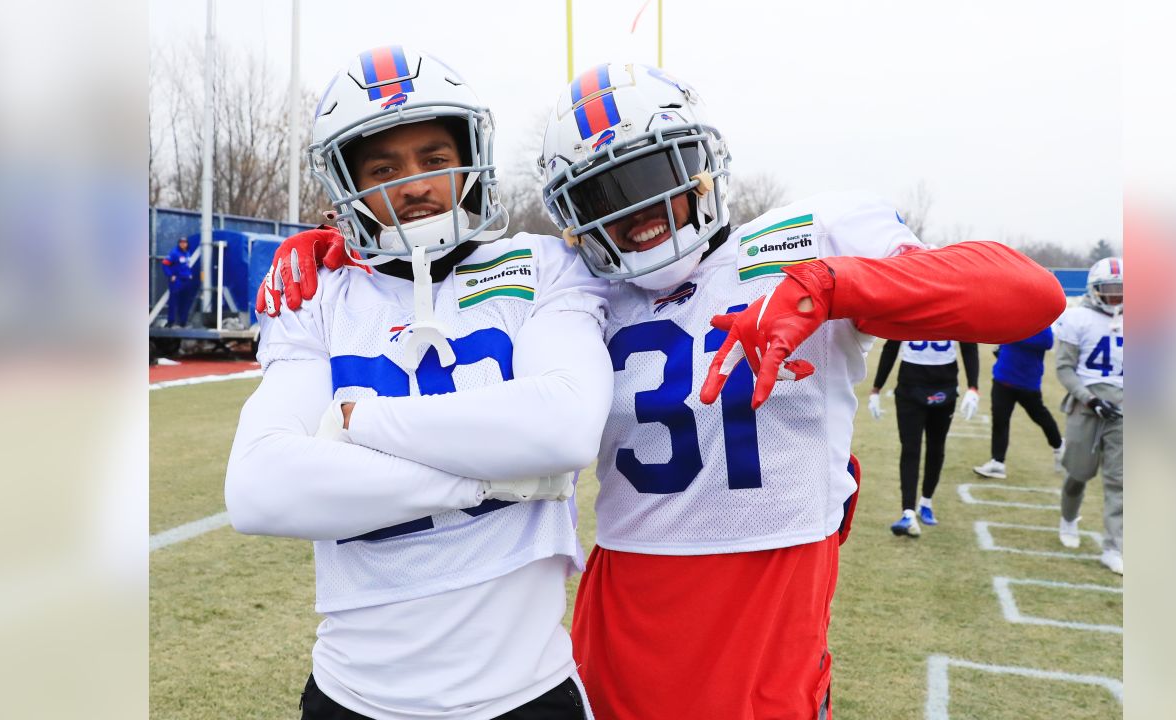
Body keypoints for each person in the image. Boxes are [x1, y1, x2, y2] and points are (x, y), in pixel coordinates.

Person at [263, 63, 1065, 719]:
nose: (639, 212)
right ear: (575, 216)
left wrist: (831, 285)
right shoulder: (582, 280)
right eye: (606, 195)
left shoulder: (806, 235)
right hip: (623, 601)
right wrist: (331, 244)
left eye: (652, 175)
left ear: (700, 164)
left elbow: (1026, 294)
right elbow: (432, 262)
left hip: (766, 599)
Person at [228, 46, 613, 720]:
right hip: (356, 697)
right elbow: (260, 488)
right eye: (383, 168)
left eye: (435, 159)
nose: (414, 186)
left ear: (470, 156)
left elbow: (564, 425)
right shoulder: (317, 294)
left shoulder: (542, 266)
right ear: (346, 182)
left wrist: (356, 424)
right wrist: (490, 478)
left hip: (525, 694)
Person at [1055, 256, 1124, 575]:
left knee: (1119, 480)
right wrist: (1090, 399)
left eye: (1121, 290)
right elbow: (1065, 368)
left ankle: (1114, 546)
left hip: (1124, 408)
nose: (1115, 296)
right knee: (1078, 474)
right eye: (1109, 289)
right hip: (1087, 404)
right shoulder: (1078, 317)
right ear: (1095, 290)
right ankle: (1068, 519)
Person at [868, 339, 979, 536]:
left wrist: (973, 386)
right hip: (911, 384)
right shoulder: (907, 308)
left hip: (944, 385)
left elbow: (968, 343)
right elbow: (892, 345)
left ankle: (926, 501)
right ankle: (908, 512)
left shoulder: (954, 309)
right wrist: (876, 388)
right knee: (910, 448)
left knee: (936, 448)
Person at [972, 327, 1065, 479]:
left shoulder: (1040, 321)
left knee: (1040, 416)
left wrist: (1015, 333)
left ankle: (1059, 446)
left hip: (1027, 382)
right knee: (1000, 421)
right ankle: (997, 462)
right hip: (1003, 377)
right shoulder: (1014, 315)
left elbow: (1047, 342)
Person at [161, 236, 198, 327]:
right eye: (181, 242)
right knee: (173, 301)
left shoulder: (187, 253)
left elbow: (186, 266)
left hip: (187, 281)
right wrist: (170, 275)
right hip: (177, 281)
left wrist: (190, 274)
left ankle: (183, 322)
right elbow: (165, 264)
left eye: (185, 242)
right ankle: (171, 322)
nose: (183, 244)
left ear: (187, 244)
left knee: (185, 302)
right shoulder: (174, 253)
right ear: (179, 243)